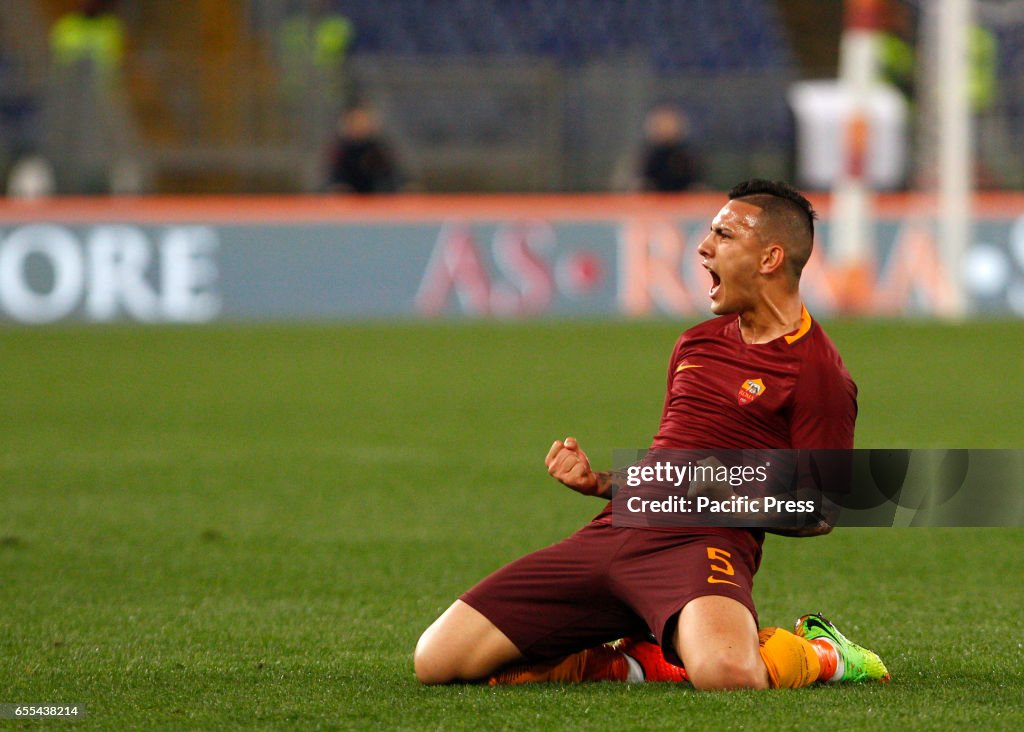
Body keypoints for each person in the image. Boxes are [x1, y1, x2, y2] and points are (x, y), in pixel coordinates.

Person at [414, 180, 890, 691]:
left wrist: (734, 499)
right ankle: (641, 659)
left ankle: (823, 653)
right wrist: (601, 483)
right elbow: (669, 471)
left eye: (723, 236)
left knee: (728, 675)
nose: (704, 248)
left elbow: (820, 512)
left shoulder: (819, 373)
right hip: (617, 530)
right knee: (437, 661)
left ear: (770, 257)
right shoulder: (696, 343)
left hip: (704, 546)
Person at [325, 104, 402, 194]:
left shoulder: (379, 149)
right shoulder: (340, 150)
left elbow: (392, 177)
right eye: (355, 121)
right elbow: (333, 179)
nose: (359, 125)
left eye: (362, 121)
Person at [638, 105, 703, 192]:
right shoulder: (647, 156)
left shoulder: (687, 155)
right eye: (661, 124)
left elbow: (696, 182)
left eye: (669, 123)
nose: (666, 128)